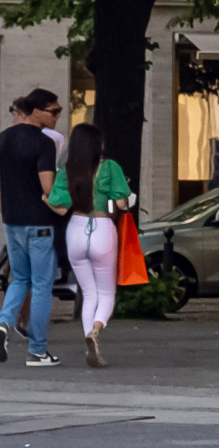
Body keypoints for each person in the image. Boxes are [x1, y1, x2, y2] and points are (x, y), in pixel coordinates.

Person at [48, 124, 133, 369]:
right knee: (106, 293)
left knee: (88, 293)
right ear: (98, 144)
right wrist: (123, 197)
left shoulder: (67, 170)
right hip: (102, 229)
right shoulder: (110, 168)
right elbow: (121, 203)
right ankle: (95, 331)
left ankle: (88, 338)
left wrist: (45, 199)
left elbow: (60, 204)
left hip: (75, 228)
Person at [0, 89, 64, 367]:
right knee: (41, 285)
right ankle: (37, 351)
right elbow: (48, 189)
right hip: (39, 222)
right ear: (37, 111)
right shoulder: (44, 143)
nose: (57, 116)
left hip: (12, 221)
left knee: (19, 279)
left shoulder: (3, 138)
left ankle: (3, 324)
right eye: (54, 111)